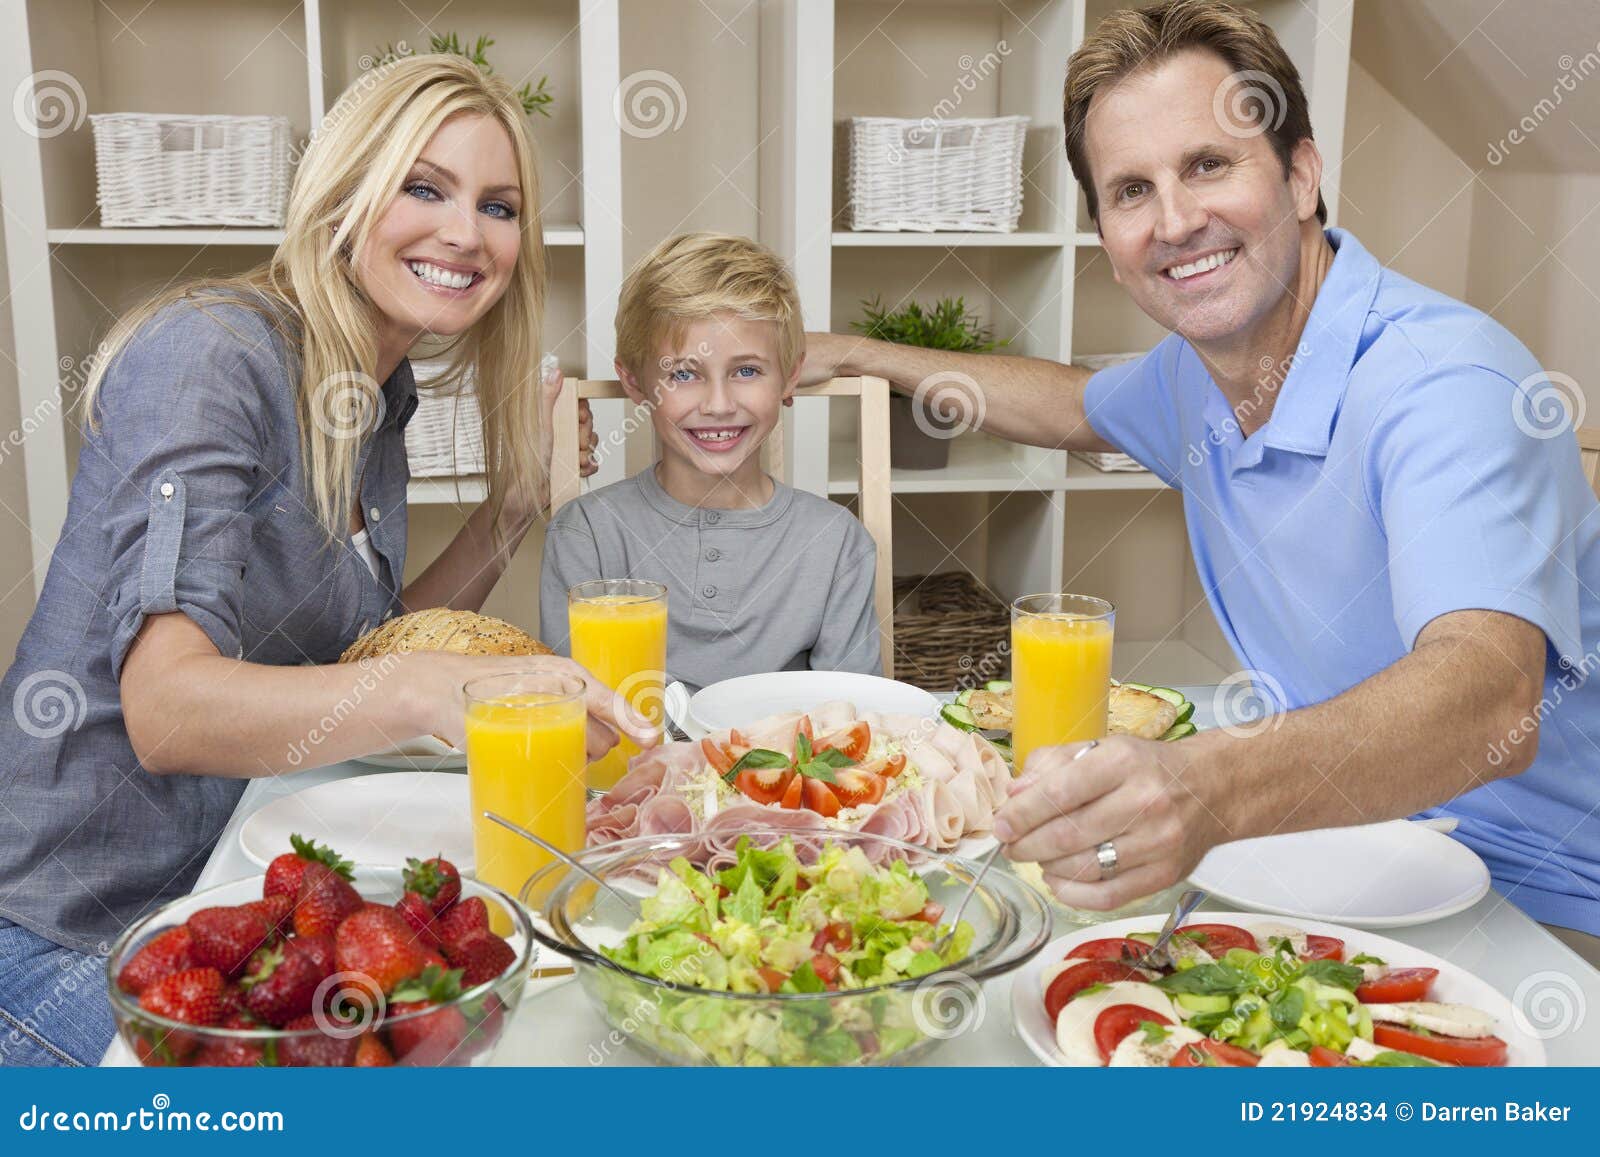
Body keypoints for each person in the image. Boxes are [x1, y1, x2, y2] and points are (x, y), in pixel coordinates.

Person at [802, 0, 1600, 959]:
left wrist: (1205, 786)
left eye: (1208, 166)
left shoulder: (1445, 387)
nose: (1176, 221)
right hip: (1333, 852)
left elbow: (1491, 698)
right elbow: (1066, 404)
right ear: (1105, 234)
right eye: (1131, 190)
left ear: (1302, 176)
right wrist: (851, 351)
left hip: (1548, 903)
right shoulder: (1195, 377)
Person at [0, 55, 652, 1067]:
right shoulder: (214, 353)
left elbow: (359, 662)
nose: (464, 233)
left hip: (234, 905)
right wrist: (445, 687)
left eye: (499, 205)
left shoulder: (374, 398)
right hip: (65, 932)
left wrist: (513, 505)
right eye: (422, 186)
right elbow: (167, 711)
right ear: (343, 194)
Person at [540, 232, 881, 691]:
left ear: (790, 376)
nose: (719, 404)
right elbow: (580, 713)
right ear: (635, 383)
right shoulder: (587, 534)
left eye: (746, 371)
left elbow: (853, 725)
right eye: (683, 374)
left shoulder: (837, 543)